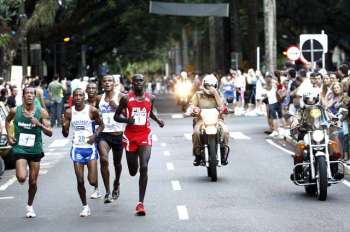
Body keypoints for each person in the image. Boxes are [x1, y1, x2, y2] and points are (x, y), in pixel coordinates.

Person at [114, 74, 164, 216]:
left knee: (144, 166)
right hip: (130, 136)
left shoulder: (151, 98)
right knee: (132, 171)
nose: (138, 83)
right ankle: (127, 176)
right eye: (136, 81)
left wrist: (158, 121)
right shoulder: (126, 99)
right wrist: (127, 120)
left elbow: (149, 113)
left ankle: (140, 203)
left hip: (144, 134)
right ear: (132, 83)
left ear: (144, 82)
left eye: (141, 80)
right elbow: (116, 116)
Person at [5, 86, 52, 218]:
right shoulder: (15, 111)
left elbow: (50, 132)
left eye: (32, 93)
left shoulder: (41, 112)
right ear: (23, 96)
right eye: (27, 93)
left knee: (33, 182)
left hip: (35, 149)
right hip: (20, 148)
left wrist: (39, 124)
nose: (30, 95)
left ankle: (30, 205)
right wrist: (9, 135)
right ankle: (22, 174)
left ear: (35, 97)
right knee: (21, 178)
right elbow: (7, 120)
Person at [62, 88, 104, 217]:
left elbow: (102, 125)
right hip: (77, 148)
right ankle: (85, 206)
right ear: (73, 98)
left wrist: (95, 135)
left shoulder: (92, 110)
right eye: (76, 95)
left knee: (91, 181)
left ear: (84, 97)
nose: (78, 97)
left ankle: (94, 184)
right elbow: (65, 134)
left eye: (81, 95)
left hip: (90, 148)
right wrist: (64, 126)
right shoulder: (69, 112)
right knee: (80, 181)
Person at [186, 74, 229, 166]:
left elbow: (222, 106)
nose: (210, 88)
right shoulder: (198, 95)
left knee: (225, 131)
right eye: (208, 86)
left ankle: (223, 154)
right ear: (204, 85)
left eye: (213, 86)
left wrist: (215, 94)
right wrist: (193, 109)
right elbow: (192, 105)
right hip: (201, 120)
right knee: (196, 132)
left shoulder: (219, 94)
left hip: (217, 120)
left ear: (216, 86)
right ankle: (197, 155)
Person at [96, 75, 125, 203]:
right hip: (104, 134)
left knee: (117, 164)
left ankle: (116, 182)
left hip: (118, 134)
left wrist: (116, 108)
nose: (107, 83)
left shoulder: (121, 97)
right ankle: (107, 191)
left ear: (114, 83)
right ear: (102, 84)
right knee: (103, 160)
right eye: (105, 81)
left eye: (109, 81)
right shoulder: (99, 98)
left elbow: (128, 116)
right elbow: (94, 113)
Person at [85, 82, 102, 199]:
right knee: (90, 163)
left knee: (103, 160)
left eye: (93, 88)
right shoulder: (83, 103)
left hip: (102, 133)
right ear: (86, 90)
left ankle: (97, 189)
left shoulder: (102, 101)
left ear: (97, 90)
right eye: (89, 88)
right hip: (88, 136)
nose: (91, 90)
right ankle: (94, 182)